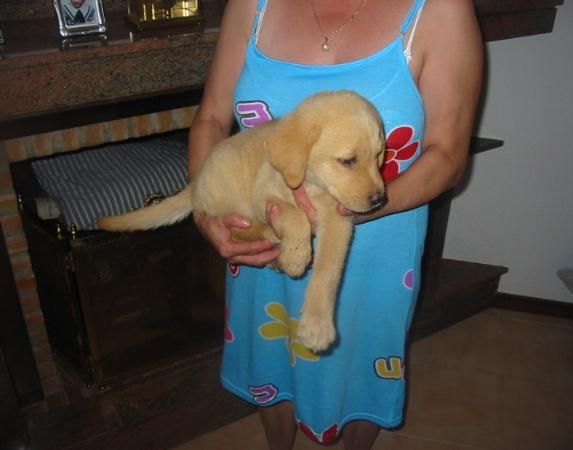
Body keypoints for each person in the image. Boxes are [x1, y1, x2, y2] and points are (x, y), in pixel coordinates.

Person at [187, 0, 482, 448]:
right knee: (272, 363)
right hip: (260, 240)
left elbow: (448, 154)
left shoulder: (440, 9)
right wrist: (206, 210)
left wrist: (364, 207)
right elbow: (210, 117)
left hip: (374, 256)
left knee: (361, 374)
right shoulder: (252, 4)